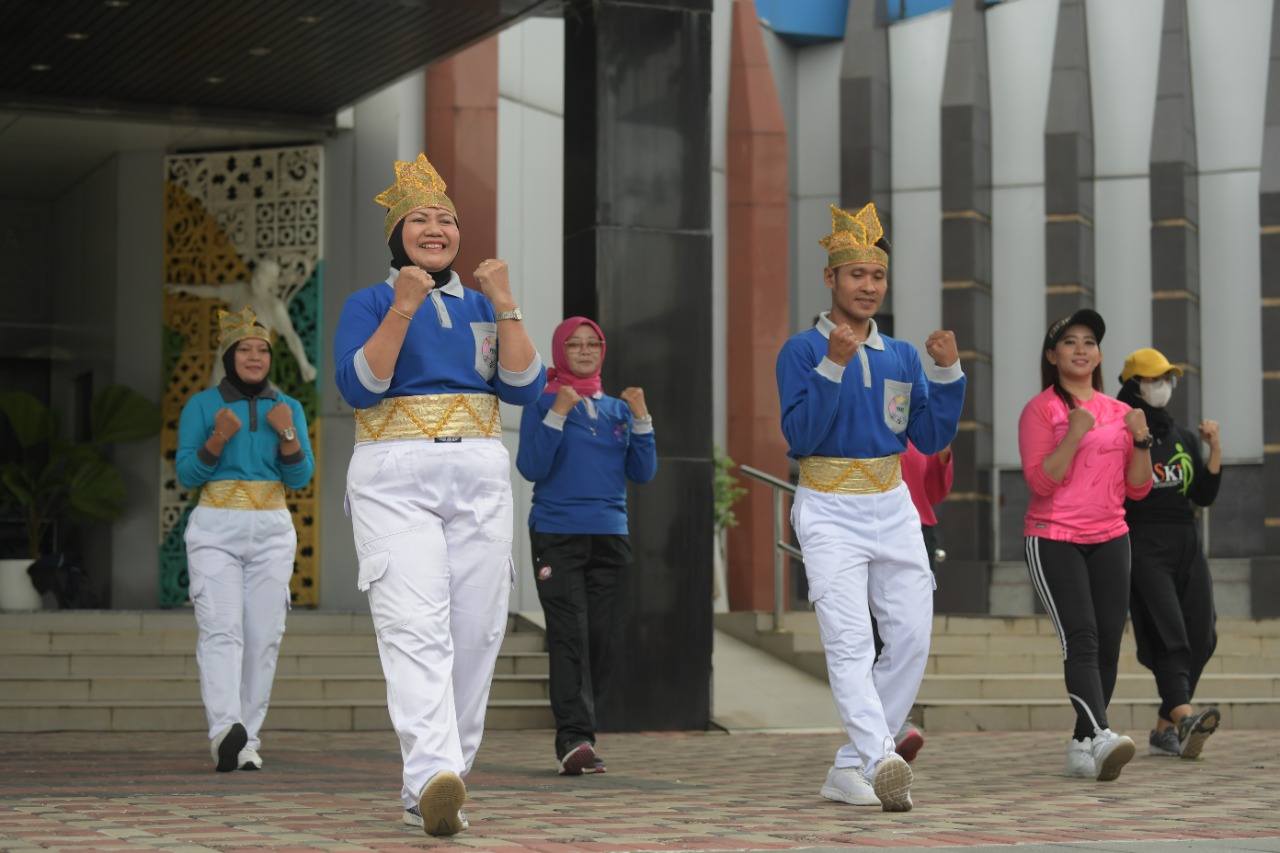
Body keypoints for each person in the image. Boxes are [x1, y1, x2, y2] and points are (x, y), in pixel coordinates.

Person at [332, 153, 545, 836]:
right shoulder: (368, 301)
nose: (435, 227)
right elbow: (360, 386)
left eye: (446, 219)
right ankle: (432, 772)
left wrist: (507, 300)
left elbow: (523, 387)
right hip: (396, 472)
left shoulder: (483, 304)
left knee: (477, 631)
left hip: (479, 471)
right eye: (419, 218)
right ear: (396, 235)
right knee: (414, 624)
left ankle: (435, 779)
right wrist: (401, 306)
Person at [777, 202, 965, 812]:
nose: (868, 287)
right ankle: (882, 756)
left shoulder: (902, 355)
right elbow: (802, 438)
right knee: (850, 641)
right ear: (830, 280)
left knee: (911, 635)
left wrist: (947, 373)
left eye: (876, 277)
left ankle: (851, 765)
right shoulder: (801, 350)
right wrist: (833, 362)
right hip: (828, 507)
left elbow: (929, 438)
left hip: (892, 503)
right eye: (855, 275)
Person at [175, 305, 315, 773]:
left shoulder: (288, 407)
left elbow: (301, 476)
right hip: (215, 524)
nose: (255, 357)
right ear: (229, 354)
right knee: (222, 630)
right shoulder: (201, 404)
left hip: (273, 528)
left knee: (264, 637)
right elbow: (187, 473)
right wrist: (217, 437)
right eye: (245, 349)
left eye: (262, 350)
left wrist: (288, 433)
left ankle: (247, 740)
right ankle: (223, 730)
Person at [515, 317, 658, 776]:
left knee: (604, 637)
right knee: (569, 633)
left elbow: (643, 473)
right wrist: (558, 411)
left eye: (592, 343)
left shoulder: (618, 409)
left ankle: (582, 727)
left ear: (603, 350)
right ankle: (574, 739)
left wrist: (642, 419)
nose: (583, 350)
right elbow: (532, 466)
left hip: (611, 535)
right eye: (572, 344)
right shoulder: (541, 401)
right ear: (559, 351)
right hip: (558, 533)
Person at [1018, 309, 1152, 783]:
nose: (1081, 349)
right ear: (1052, 356)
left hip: (1111, 536)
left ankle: (1081, 743)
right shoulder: (1042, 410)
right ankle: (1100, 734)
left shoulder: (1120, 413)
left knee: (1110, 646)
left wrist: (1141, 440)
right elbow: (1040, 481)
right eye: (1070, 342)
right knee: (1082, 639)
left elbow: (1138, 490)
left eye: (1089, 342)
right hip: (1055, 538)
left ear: (1099, 353)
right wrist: (1074, 433)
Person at [1116, 348, 1222, 759]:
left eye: (1168, 380)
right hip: (1143, 542)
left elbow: (1204, 495)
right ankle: (1183, 714)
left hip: (1185, 540)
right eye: (1153, 380)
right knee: (1169, 632)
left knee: (1203, 634)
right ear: (1133, 387)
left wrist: (1215, 447)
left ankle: (1165, 727)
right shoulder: (1119, 433)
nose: (1163, 388)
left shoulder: (1182, 437)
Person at [887, 440, 953, 763]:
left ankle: (894, 719)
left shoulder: (918, 421)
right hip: (871, 527)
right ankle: (888, 724)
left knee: (911, 632)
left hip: (918, 530)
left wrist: (942, 455)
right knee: (876, 631)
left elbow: (933, 492)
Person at [167, 258, 319, 384]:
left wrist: (304, 364)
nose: (254, 281)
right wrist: (184, 288)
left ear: (271, 283)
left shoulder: (274, 306)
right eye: (254, 276)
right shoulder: (240, 290)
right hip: (226, 357)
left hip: (251, 363)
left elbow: (290, 336)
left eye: (260, 280)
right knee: (213, 403)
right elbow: (213, 291)